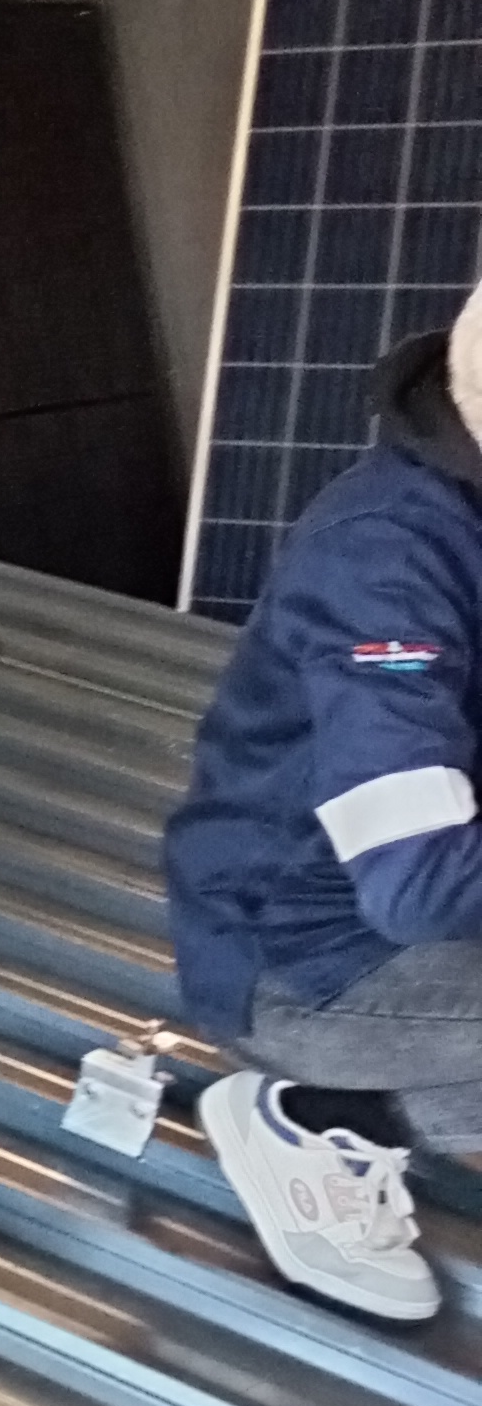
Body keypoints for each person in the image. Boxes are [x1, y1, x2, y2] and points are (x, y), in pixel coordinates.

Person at [162, 293, 482, 1327]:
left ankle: (428, 1094)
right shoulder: (386, 561)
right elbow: (417, 875)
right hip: (302, 957)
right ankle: (314, 1115)